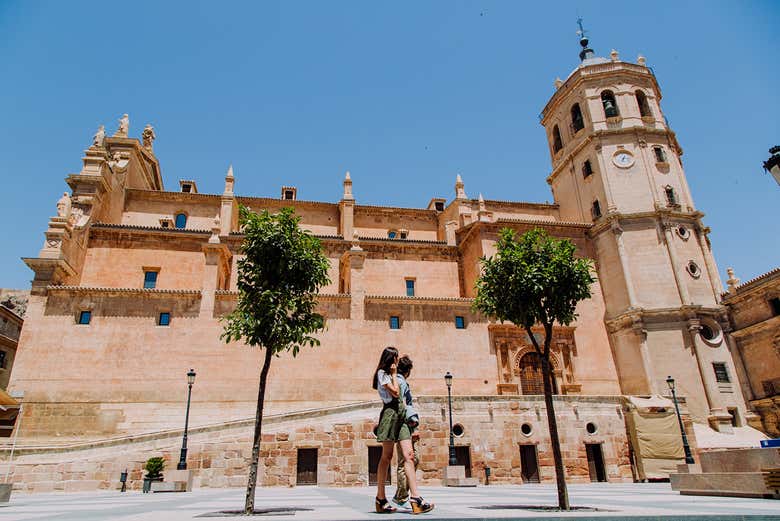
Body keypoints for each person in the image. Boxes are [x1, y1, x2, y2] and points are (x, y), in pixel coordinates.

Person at [372, 347, 433, 514]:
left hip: (402, 417)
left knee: (409, 456)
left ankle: (416, 499)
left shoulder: (393, 376)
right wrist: (392, 374)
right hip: (390, 414)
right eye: (395, 359)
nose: (396, 362)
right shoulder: (382, 375)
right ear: (390, 359)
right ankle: (380, 498)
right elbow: (396, 393)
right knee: (387, 457)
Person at [393, 355, 420, 506]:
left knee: (410, 459)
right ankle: (404, 496)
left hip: (402, 423)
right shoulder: (401, 382)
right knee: (408, 459)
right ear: (408, 371)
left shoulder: (397, 381)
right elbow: (402, 404)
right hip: (404, 424)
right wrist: (412, 425)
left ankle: (404, 495)